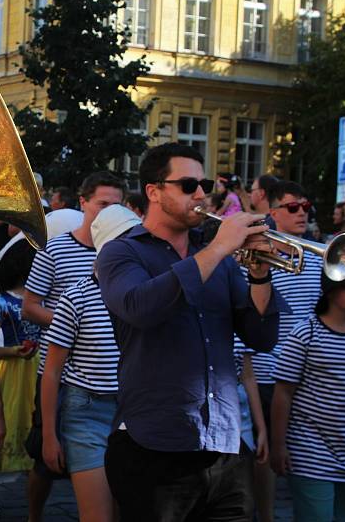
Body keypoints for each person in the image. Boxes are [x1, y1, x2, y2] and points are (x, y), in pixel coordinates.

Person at [97, 142, 282, 521]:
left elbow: (261, 336)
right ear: (154, 191)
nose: (202, 194)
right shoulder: (121, 253)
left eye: (206, 184)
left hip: (226, 445)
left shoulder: (220, 257)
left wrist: (260, 273)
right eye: (188, 185)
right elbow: (140, 307)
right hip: (155, 445)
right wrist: (219, 249)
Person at [22, 171, 124, 522]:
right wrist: (72, 322)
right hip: (61, 371)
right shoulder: (56, 248)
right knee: (46, 457)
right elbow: (30, 306)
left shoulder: (125, 251)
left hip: (108, 379)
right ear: (83, 204)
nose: (110, 212)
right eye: (103, 204)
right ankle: (34, 514)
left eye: (117, 205)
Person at [41, 204, 140, 522]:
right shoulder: (77, 297)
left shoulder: (143, 293)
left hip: (134, 412)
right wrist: (48, 435)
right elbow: (52, 370)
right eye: (129, 240)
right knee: (97, 516)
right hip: (86, 413)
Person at [249, 181, 323, 522]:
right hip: (266, 368)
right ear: (273, 213)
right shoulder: (255, 254)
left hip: (306, 374)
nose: (302, 213)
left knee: (306, 455)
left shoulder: (319, 255)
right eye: (293, 207)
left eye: (306, 207)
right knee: (264, 456)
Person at [271, 271, 345, 522]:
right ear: (332, 291)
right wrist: (279, 445)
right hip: (311, 454)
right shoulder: (305, 333)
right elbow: (283, 393)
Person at [0, 238, 41, 515]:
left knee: (33, 430)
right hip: (10, 370)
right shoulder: (2, 302)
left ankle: (33, 509)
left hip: (34, 369)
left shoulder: (41, 299)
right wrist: (13, 351)